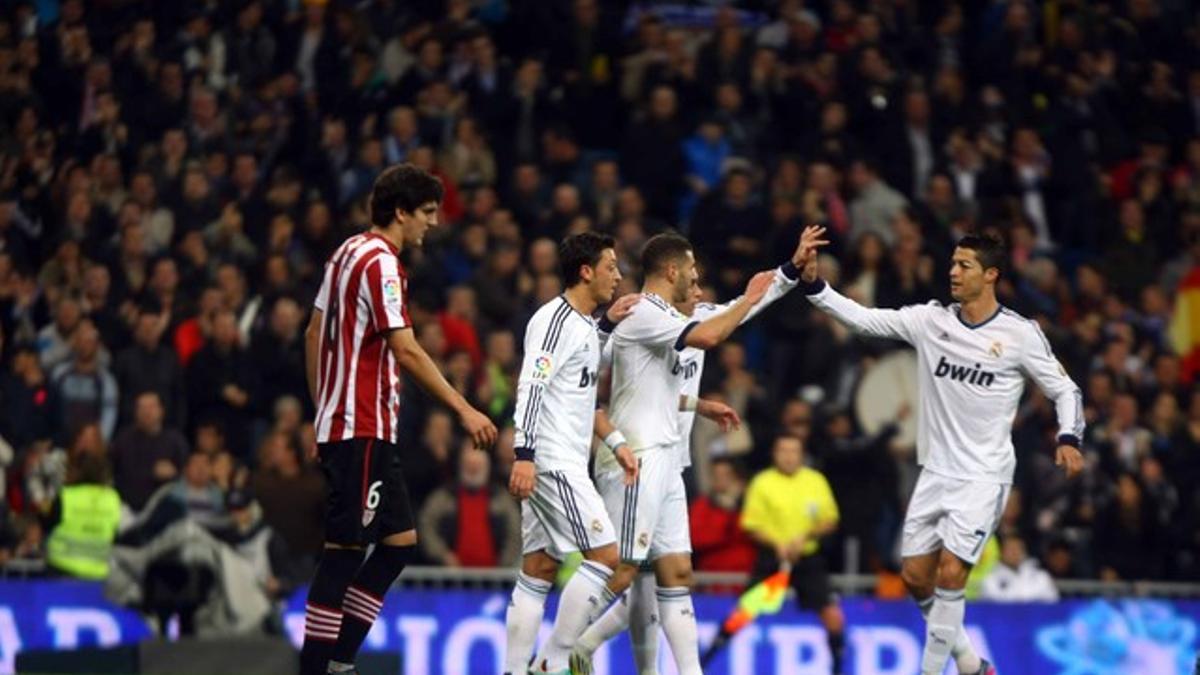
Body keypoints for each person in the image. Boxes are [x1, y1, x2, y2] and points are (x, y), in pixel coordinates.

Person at [799, 229, 1085, 675]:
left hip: (984, 475)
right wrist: (816, 287)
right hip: (935, 471)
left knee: (952, 574)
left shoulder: (1019, 334)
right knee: (915, 577)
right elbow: (866, 320)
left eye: (964, 265)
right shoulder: (931, 321)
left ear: (990, 275)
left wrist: (1068, 437)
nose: (953, 272)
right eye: (952, 263)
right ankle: (972, 665)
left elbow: (1064, 388)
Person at [572, 228, 815, 674]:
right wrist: (746, 298)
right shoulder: (643, 313)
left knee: (674, 572)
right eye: (693, 274)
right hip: (635, 459)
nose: (698, 285)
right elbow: (711, 335)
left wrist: (791, 271)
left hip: (668, 460)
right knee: (625, 572)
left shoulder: (689, 316)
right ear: (672, 271)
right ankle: (558, 652)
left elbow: (742, 311)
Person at [300, 164, 498, 675]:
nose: (433, 223)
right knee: (344, 551)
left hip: (354, 425)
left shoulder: (345, 252)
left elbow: (312, 333)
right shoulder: (382, 265)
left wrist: (322, 410)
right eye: (427, 213)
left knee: (399, 545)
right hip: (362, 426)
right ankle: (317, 668)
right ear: (401, 212)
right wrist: (464, 407)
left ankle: (339, 661)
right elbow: (407, 351)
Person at [501, 231, 639, 675]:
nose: (617, 276)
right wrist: (524, 453)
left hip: (557, 459)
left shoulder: (582, 325)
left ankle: (513, 669)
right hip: (553, 462)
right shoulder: (553, 320)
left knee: (539, 568)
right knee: (606, 557)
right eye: (610, 266)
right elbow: (533, 385)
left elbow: (576, 394)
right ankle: (554, 661)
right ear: (585, 271)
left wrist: (615, 444)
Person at [736, 434, 846, 674]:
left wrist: (804, 538)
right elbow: (750, 524)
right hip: (772, 558)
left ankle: (838, 668)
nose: (788, 456)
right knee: (744, 612)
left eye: (793, 450)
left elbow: (830, 520)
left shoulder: (815, 480)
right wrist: (777, 544)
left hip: (807, 560)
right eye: (783, 450)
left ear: (801, 454)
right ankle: (705, 660)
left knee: (832, 615)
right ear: (774, 454)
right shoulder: (762, 482)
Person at [980, 534, 1058, 602]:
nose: (1015, 553)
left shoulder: (1041, 576)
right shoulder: (990, 580)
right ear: (1002, 552)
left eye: (1018, 548)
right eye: (1011, 549)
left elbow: (1052, 604)